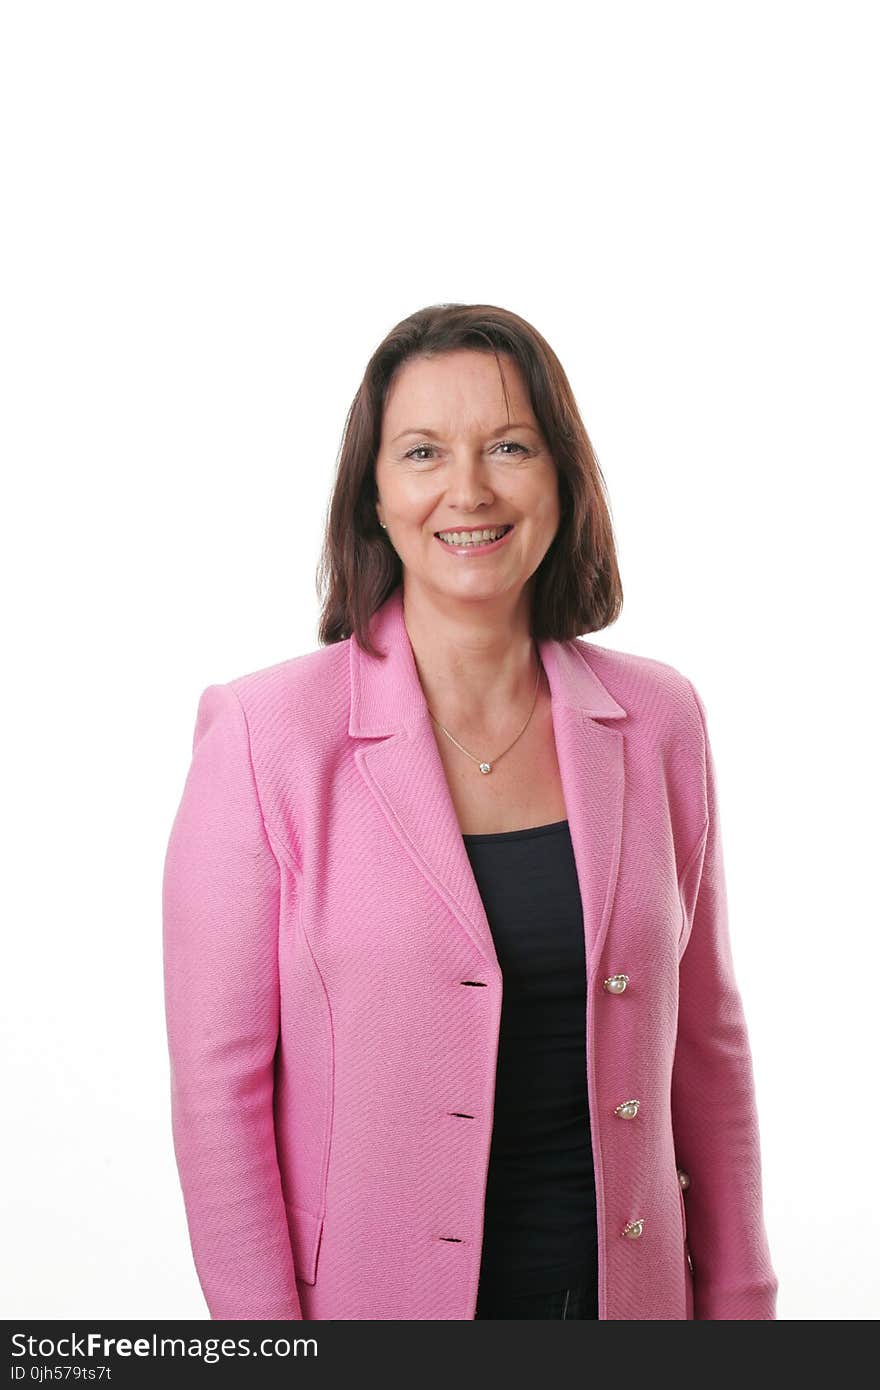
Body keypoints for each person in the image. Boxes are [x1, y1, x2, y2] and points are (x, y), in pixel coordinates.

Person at [162, 302, 778, 1321]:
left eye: (507, 445)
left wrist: (744, 1312)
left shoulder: (658, 717)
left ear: (560, 477)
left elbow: (706, 1041)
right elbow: (217, 1101)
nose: (469, 489)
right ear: (374, 494)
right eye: (421, 452)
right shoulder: (263, 735)